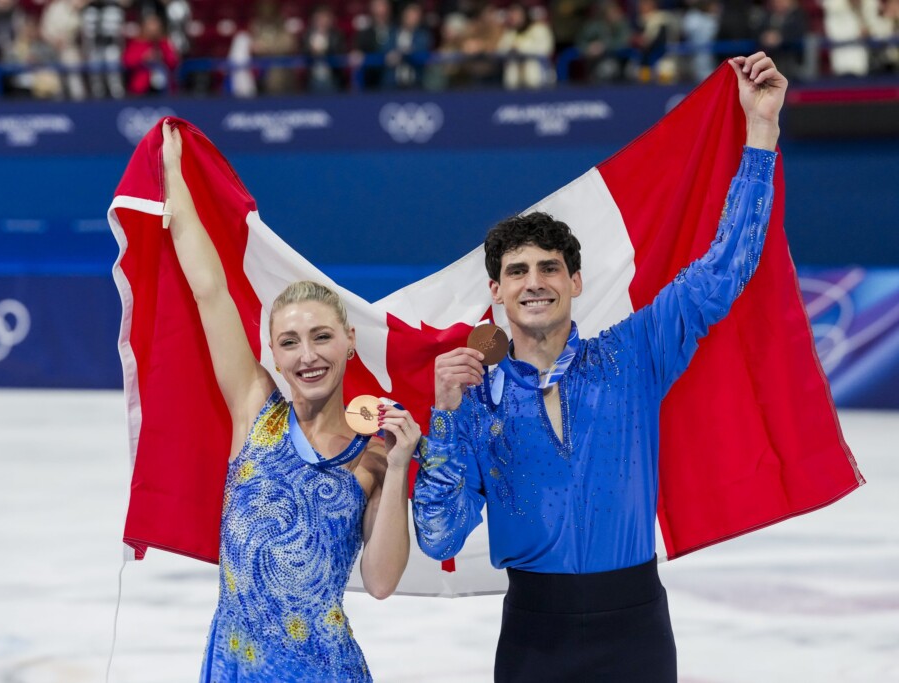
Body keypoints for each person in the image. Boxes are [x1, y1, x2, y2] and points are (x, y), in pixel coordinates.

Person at [412, 52, 787, 682]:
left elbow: (726, 268)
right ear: (496, 292)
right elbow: (440, 538)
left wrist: (762, 132)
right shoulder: (475, 401)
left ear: (576, 280)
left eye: (550, 267)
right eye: (517, 271)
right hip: (534, 636)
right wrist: (444, 423)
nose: (536, 282)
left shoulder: (635, 354)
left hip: (635, 629)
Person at [159, 120, 419, 682]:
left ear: (350, 342)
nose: (307, 356)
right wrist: (173, 177)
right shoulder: (255, 406)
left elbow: (380, 583)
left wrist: (397, 469)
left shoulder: (371, 454)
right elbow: (208, 288)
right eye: (290, 342)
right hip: (235, 669)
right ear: (273, 356)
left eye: (322, 336)